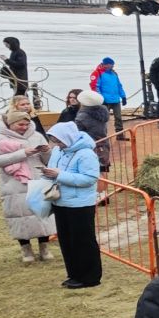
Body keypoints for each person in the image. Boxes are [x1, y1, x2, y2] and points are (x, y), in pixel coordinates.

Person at [35, 121, 102, 289]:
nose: (57, 144)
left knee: (83, 241)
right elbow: (54, 169)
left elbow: (90, 178)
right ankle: (74, 273)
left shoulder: (86, 154)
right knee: (66, 241)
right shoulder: (58, 151)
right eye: (55, 141)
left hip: (80, 204)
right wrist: (49, 173)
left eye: (59, 140)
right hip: (60, 201)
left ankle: (90, 277)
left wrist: (60, 175)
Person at [0, 110, 56, 264]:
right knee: (19, 216)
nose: (24, 127)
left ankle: (44, 247)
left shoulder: (36, 135)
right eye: (20, 124)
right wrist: (22, 153)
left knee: (43, 214)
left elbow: (48, 160)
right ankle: (26, 249)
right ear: (11, 124)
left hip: (38, 178)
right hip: (14, 182)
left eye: (26, 124)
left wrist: (46, 151)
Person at [73, 94, 111, 174]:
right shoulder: (103, 112)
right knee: (102, 169)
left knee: (94, 171)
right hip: (103, 143)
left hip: (91, 146)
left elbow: (76, 132)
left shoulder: (83, 116)